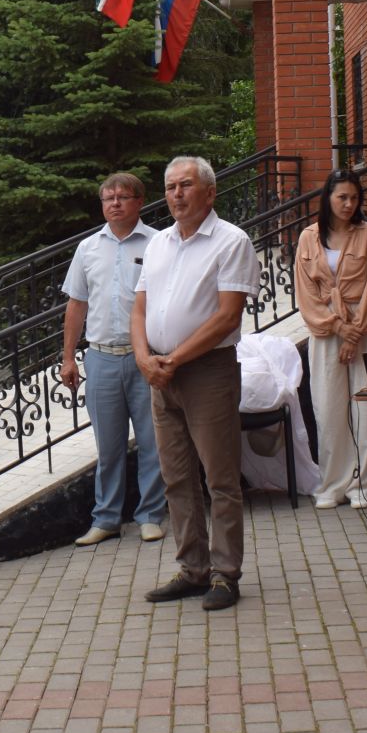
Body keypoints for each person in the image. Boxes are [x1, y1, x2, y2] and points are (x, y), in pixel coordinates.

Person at [132, 157, 259, 612]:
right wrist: (145, 358)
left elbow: (227, 315)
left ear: (210, 192)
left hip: (207, 372)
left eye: (186, 185)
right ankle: (192, 569)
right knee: (176, 477)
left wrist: (173, 359)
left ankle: (225, 574)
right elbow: (140, 307)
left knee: (221, 477)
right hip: (160, 374)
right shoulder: (160, 243)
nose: (177, 194)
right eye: (169, 187)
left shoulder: (231, 241)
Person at [59, 172, 165, 547]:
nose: (115, 203)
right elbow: (76, 304)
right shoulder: (87, 248)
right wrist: (68, 357)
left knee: (153, 441)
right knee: (108, 445)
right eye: (108, 198)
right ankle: (106, 519)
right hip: (102, 358)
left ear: (139, 201)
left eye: (123, 196)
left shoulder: (160, 244)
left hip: (146, 358)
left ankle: (151, 515)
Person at [294, 170, 367, 510]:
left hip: (366, 326)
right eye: (341, 198)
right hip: (324, 331)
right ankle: (333, 482)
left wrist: (355, 332)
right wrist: (336, 327)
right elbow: (306, 294)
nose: (349, 204)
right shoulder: (308, 237)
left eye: (354, 198)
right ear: (327, 198)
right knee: (327, 407)